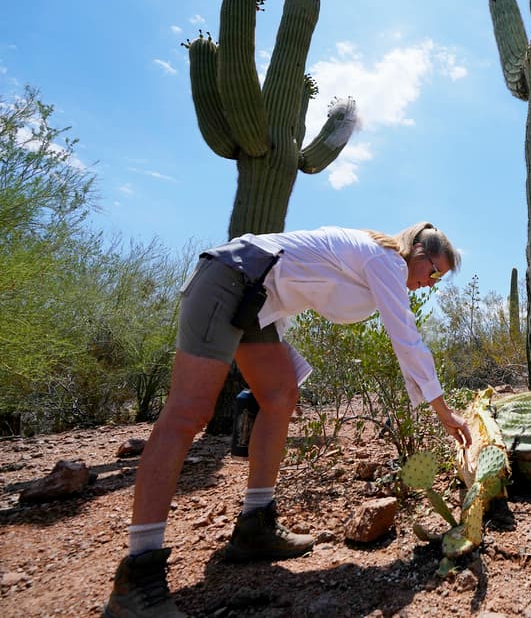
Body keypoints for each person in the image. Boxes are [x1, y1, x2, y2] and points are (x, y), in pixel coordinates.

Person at [104, 222, 472, 618]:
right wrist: (443, 411)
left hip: (257, 302)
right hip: (231, 278)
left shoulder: (380, 263)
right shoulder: (386, 260)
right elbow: (406, 338)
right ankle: (137, 579)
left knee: (279, 396)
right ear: (416, 250)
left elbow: (296, 281)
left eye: (440, 280)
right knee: (188, 413)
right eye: (434, 272)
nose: (432, 283)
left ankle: (255, 527)